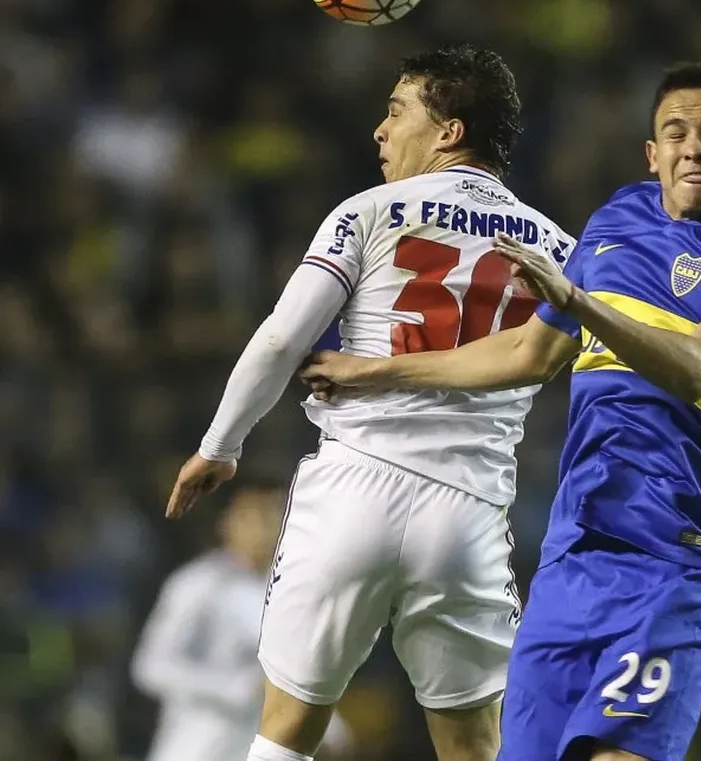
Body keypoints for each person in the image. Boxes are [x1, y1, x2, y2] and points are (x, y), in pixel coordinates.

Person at [300, 62, 701, 761]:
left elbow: (696, 369)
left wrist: (579, 302)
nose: (694, 146)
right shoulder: (616, 222)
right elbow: (529, 352)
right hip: (573, 561)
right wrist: (378, 371)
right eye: (676, 131)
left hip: (676, 562)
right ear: (652, 153)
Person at [163, 44, 575, 761]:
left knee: (288, 723)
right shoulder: (560, 250)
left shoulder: (369, 212)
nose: (379, 132)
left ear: (449, 131)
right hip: (468, 511)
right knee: (474, 743)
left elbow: (281, 338)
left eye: (396, 112)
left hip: (355, 486)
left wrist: (220, 446)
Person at [132, 483, 353, 761]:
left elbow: (297, 676)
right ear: (226, 522)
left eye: (274, 515)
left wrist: (332, 728)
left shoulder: (295, 592)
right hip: (197, 745)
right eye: (254, 517)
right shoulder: (198, 584)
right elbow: (151, 666)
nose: (265, 528)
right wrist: (232, 687)